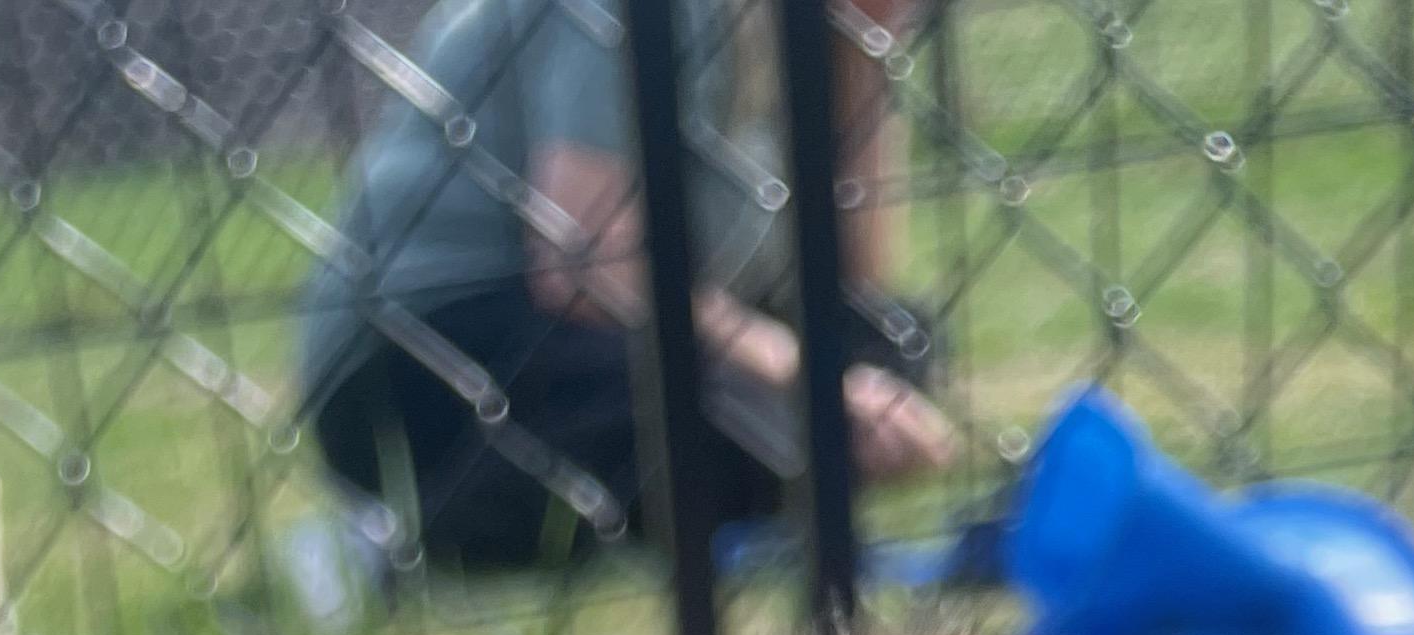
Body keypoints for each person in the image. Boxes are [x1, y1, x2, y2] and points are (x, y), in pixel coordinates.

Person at [300, 0, 951, 574]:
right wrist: (813, 383)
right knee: (704, 415)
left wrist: (864, 59)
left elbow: (854, 282)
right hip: (438, 347)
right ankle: (423, 531)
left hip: (640, 336)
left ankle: (780, 458)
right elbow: (587, 274)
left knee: (893, 339)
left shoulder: (791, 30)